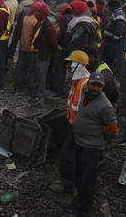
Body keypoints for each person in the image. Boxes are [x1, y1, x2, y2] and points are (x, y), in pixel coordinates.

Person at [65, 73, 118, 217]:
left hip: (92, 147)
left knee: (87, 179)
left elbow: (112, 130)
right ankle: (77, 201)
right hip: (80, 143)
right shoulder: (85, 96)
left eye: (98, 86)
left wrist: (98, 136)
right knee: (79, 174)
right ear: (88, 85)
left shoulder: (105, 106)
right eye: (93, 84)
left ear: (103, 88)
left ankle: (82, 209)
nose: (95, 88)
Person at [51, 50, 90, 193]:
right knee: (70, 153)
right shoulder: (78, 81)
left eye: (70, 63)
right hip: (73, 122)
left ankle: (68, 183)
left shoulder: (85, 84)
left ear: (77, 65)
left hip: (79, 126)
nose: (68, 66)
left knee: (68, 154)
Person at [29, 2, 57, 100]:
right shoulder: (40, 23)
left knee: (41, 75)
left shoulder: (48, 27)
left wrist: (51, 53)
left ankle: (39, 95)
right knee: (35, 73)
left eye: (38, 12)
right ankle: (34, 92)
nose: (36, 14)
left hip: (43, 54)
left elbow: (53, 43)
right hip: (37, 52)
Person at [13, 5, 38, 92]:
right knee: (31, 68)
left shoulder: (26, 18)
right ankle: (30, 88)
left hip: (22, 45)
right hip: (30, 48)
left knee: (21, 67)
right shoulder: (35, 21)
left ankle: (17, 85)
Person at [102, 0, 126, 75]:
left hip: (112, 43)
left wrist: (111, 41)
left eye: (109, 7)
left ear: (113, 7)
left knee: (110, 59)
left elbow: (118, 32)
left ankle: (110, 74)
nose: (108, 8)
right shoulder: (116, 14)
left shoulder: (119, 16)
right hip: (109, 41)